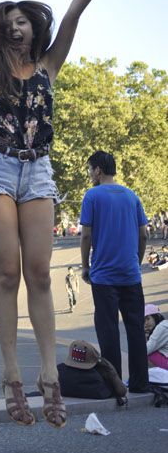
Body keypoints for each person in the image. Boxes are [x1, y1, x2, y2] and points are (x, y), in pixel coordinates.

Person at [0, 0, 117, 428]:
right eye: (8, 22)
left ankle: (50, 375)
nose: (14, 26)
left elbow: (75, 11)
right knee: (8, 271)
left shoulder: (49, 67)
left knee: (39, 274)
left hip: (38, 171)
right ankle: (11, 374)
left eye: (22, 21)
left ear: (33, 27)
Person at [80, 150, 149, 393]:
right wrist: (136, 262)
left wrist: (85, 266)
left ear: (98, 170)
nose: (90, 174)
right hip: (131, 275)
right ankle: (141, 383)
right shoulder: (132, 196)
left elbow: (86, 235)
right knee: (136, 329)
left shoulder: (92, 196)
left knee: (108, 330)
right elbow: (144, 235)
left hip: (104, 276)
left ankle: (114, 384)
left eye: (90, 169)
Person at [144, 304, 168, 370]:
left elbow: (145, 350)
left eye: (148, 319)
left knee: (142, 352)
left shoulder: (162, 327)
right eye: (144, 321)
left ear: (157, 316)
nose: (146, 323)